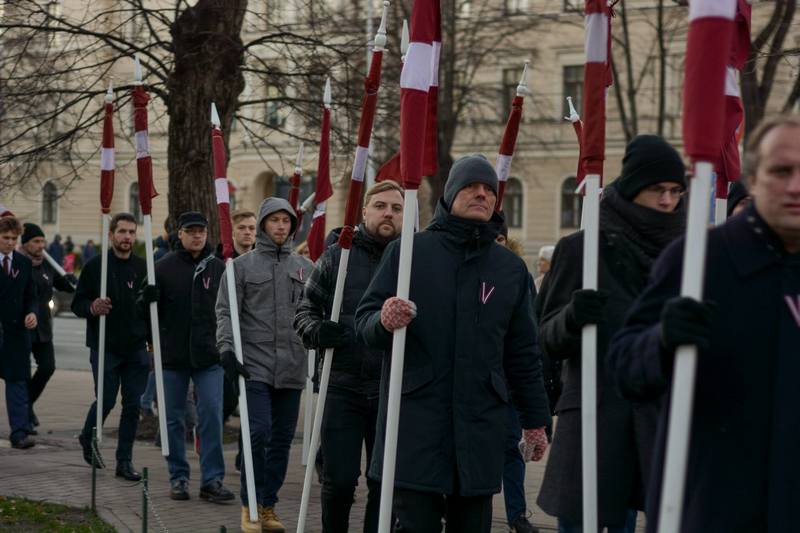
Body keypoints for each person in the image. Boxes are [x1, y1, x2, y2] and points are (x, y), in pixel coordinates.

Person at [608, 116, 800, 533]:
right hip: (715, 504)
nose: (795, 186)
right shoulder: (700, 261)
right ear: (752, 176)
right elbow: (624, 365)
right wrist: (661, 341)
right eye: (781, 171)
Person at [355, 154, 551, 533]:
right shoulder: (411, 252)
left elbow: (523, 354)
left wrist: (536, 422)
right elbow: (363, 322)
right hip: (417, 425)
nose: (481, 195)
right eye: (470, 187)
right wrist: (384, 319)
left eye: (488, 190)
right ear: (449, 194)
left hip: (479, 427)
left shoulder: (509, 269)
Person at [535, 134, 687, 533]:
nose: (668, 201)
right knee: (584, 521)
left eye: (675, 191)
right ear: (634, 187)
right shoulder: (581, 249)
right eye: (657, 190)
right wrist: (572, 317)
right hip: (595, 415)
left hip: (660, 416)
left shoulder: (689, 252)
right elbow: (544, 337)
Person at [294, 180, 405, 533]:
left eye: (397, 208)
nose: (388, 213)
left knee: (383, 482)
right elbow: (305, 311)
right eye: (381, 206)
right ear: (365, 210)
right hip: (341, 385)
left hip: (392, 390)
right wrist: (317, 331)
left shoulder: (412, 259)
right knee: (339, 481)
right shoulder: (337, 255)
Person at [216, 197, 313, 533]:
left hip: (292, 368)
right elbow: (226, 311)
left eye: (287, 221)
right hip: (253, 365)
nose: (281, 227)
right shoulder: (240, 267)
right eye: (275, 221)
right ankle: (250, 504)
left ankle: (268, 505)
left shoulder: (304, 268)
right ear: (262, 225)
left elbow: (315, 313)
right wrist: (227, 350)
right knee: (258, 432)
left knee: (282, 440)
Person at [141, 211, 234, 503]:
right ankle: (178, 477)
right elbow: (142, 313)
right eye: (191, 231)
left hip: (209, 357)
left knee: (210, 416)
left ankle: (212, 480)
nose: (197, 236)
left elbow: (230, 310)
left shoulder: (218, 268)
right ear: (179, 234)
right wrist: (147, 299)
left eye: (201, 231)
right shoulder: (162, 267)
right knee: (172, 420)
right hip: (172, 357)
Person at [72, 213, 149, 481]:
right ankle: (87, 435)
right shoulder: (96, 266)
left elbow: (151, 307)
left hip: (136, 347)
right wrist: (92, 307)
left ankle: (124, 461)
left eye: (131, 232)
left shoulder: (143, 267)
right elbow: (77, 304)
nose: (127, 237)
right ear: (111, 235)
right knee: (106, 398)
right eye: (122, 232)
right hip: (106, 345)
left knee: (132, 405)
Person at [495, 218, 541, 533]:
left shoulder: (517, 273)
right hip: (474, 380)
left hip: (508, 379)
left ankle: (516, 514)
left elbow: (528, 328)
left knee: (512, 448)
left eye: (499, 239)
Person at [19, 223, 76, 432]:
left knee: (47, 367)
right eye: (35, 241)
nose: (40, 246)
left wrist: (69, 280)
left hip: (43, 326)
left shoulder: (46, 265)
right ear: (25, 244)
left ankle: (26, 404)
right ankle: (23, 416)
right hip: (22, 326)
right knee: (22, 373)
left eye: (42, 241)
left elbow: (62, 284)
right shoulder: (18, 264)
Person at [0, 216, 38, 449]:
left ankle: (19, 432)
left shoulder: (23, 263)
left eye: (14, 239)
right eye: (5, 238)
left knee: (17, 383)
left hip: (15, 333)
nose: (10, 243)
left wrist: (32, 313)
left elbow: (30, 295)